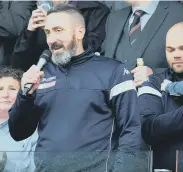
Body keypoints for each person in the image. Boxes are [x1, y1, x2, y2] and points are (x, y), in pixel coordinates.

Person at [8, 4, 141, 172]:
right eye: (47, 32)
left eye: (58, 30)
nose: (51, 40)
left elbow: (131, 131)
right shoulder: (41, 74)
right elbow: (18, 133)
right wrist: (25, 95)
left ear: (80, 32)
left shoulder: (113, 71)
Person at [11, 0, 110, 71]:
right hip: (43, 81)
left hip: (80, 77)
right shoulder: (37, 11)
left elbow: (92, 46)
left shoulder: (94, 9)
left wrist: (56, 25)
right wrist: (29, 32)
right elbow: (18, 65)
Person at [102, 0, 183, 87]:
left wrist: (156, 76)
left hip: (162, 98)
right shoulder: (114, 18)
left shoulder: (179, 13)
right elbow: (103, 60)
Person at [138, 22, 183, 171]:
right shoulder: (154, 82)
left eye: (182, 48)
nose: (176, 54)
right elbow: (149, 129)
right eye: (170, 50)